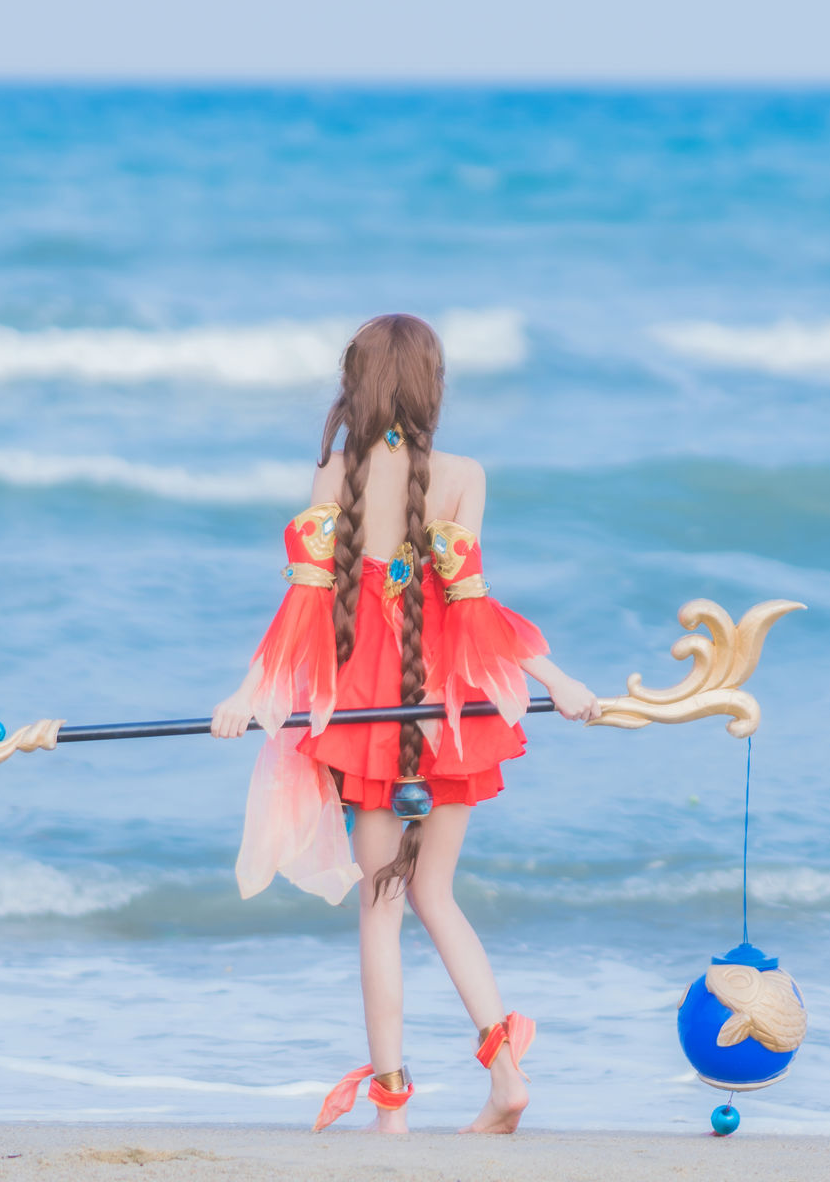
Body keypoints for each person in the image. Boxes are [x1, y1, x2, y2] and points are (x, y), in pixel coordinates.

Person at [211, 313, 604, 1135]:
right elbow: (473, 607)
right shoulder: (464, 474)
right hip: (445, 707)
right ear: (431, 388)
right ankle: (504, 1076)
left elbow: (303, 604)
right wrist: (557, 679)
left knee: (380, 907)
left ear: (356, 384)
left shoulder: (336, 475)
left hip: (366, 714)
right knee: (435, 894)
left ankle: (391, 1113)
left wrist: (250, 693)